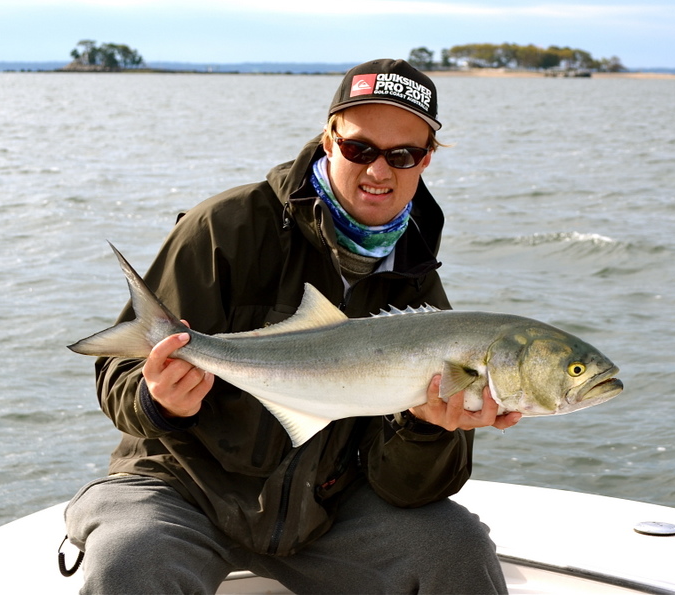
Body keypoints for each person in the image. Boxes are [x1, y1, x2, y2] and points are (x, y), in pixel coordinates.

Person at [64, 58, 522, 594]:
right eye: (360, 149)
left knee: (455, 547)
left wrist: (425, 427)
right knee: (131, 554)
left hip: (323, 507)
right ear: (330, 139)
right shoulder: (226, 228)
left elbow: (405, 488)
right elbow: (119, 372)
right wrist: (158, 400)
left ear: (427, 159)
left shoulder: (420, 291)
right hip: (178, 488)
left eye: (404, 155)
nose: (379, 171)